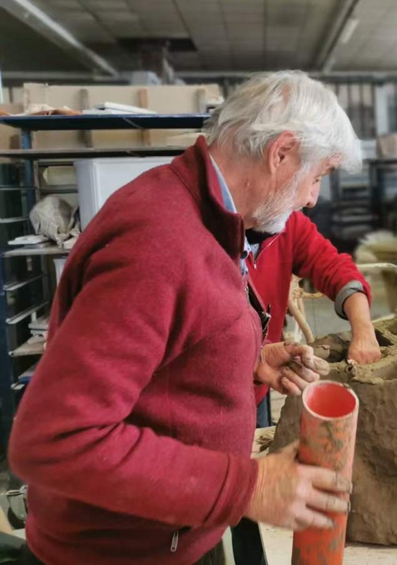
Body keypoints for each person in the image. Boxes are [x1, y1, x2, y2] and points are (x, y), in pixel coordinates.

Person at [8, 72, 360, 565]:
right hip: (121, 553)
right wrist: (249, 486)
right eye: (318, 175)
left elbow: (163, 354)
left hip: (179, 531)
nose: (312, 198)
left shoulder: (204, 213)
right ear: (281, 153)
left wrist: (243, 362)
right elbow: (55, 440)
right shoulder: (158, 240)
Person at [232, 211, 381, 565]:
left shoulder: (287, 221)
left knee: (253, 480)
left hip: (259, 382)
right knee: (235, 495)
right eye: (312, 180)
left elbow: (332, 266)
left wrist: (364, 328)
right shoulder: (210, 234)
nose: (313, 197)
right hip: (209, 400)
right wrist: (252, 361)